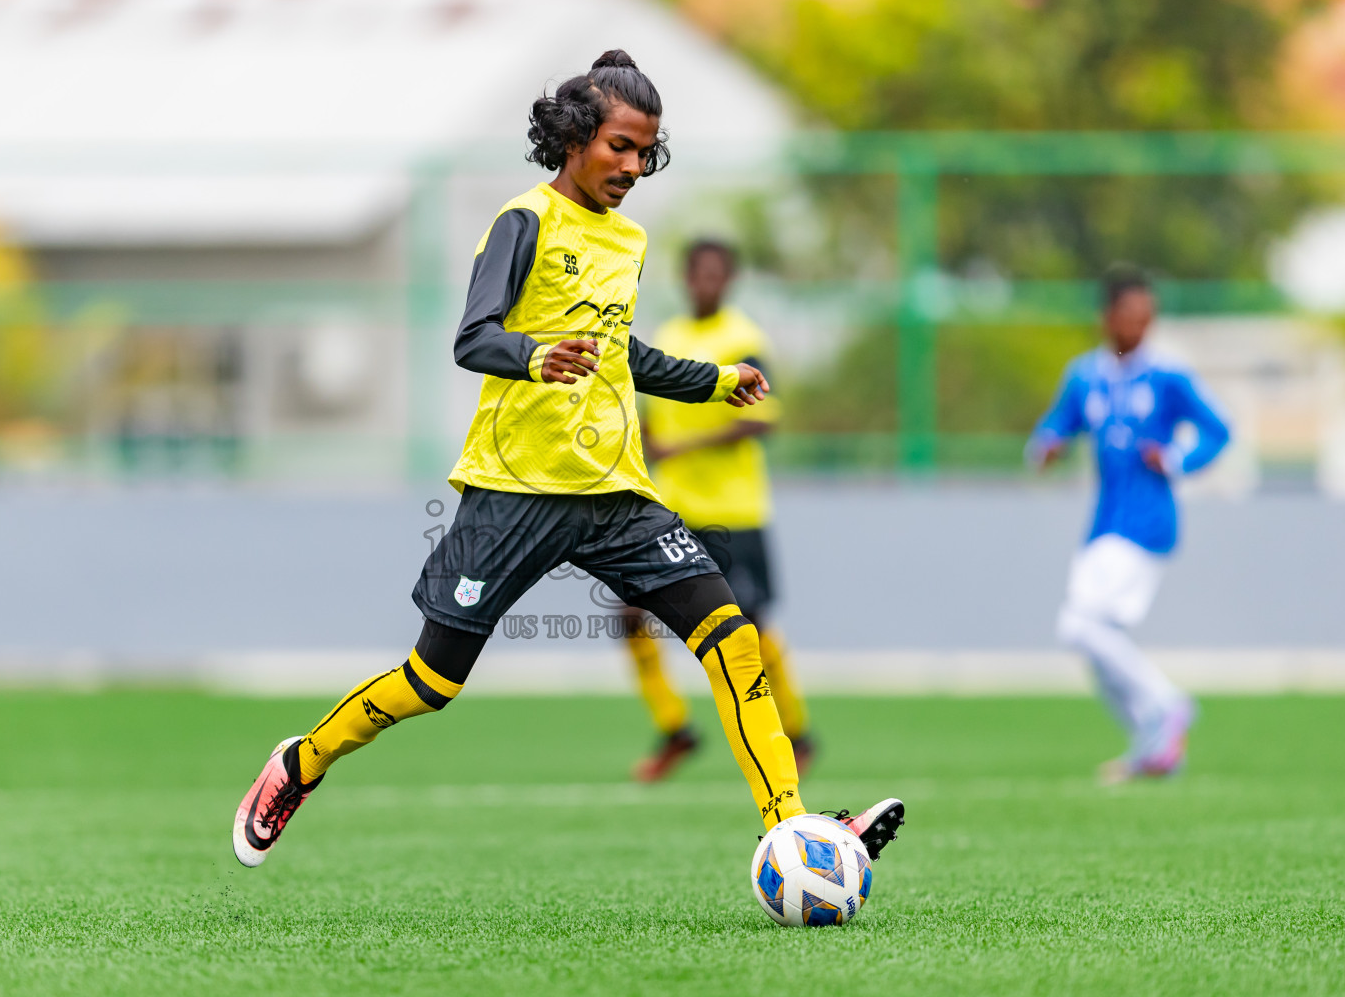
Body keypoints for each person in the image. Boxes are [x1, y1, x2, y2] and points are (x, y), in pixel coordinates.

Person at [232, 50, 903, 867]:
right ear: (576, 137)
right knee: (431, 682)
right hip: (514, 492)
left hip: (616, 494)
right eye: (620, 146)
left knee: (733, 637)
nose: (632, 167)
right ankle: (300, 763)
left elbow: (623, 357)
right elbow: (472, 338)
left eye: (645, 153)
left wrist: (714, 380)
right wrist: (537, 355)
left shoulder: (628, 242)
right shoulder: (524, 222)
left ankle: (791, 824)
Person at [1028, 263, 1230, 784]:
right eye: (1130, 317)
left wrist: (1179, 459)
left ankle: (1168, 705)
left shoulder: (1168, 375)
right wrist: (1045, 446)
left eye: (1148, 317)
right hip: (1104, 524)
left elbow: (1218, 430)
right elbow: (1055, 424)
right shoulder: (1085, 375)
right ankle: (1154, 742)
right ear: (1108, 317)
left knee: (1078, 626)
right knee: (1095, 641)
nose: (1140, 327)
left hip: (1148, 523)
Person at [622, 240, 814, 783]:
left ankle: (796, 732)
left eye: (715, 274)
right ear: (685, 279)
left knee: (750, 626)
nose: (705, 283)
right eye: (697, 274)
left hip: (734, 512)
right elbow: (651, 420)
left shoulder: (744, 339)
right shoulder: (669, 339)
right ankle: (675, 727)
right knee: (631, 615)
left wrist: (681, 448)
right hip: (672, 510)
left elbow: (762, 419)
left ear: (728, 280)